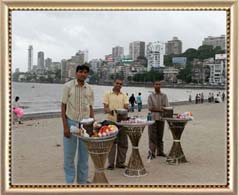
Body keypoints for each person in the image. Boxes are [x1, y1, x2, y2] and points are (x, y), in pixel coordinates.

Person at [61, 64, 94, 184]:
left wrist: (92, 125)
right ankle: (69, 183)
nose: (83, 74)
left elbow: (90, 107)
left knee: (84, 157)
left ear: (87, 74)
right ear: (76, 73)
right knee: (69, 157)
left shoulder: (89, 89)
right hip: (71, 123)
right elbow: (63, 106)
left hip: (86, 125)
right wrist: (65, 127)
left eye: (85, 72)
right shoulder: (68, 86)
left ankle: (82, 182)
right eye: (80, 71)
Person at [103, 77, 129, 170]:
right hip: (111, 121)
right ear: (114, 83)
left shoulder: (124, 95)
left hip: (122, 122)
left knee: (123, 143)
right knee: (111, 143)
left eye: (120, 84)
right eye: (117, 83)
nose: (118, 85)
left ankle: (120, 163)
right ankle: (111, 163)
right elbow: (105, 108)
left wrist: (126, 108)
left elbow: (126, 106)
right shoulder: (107, 94)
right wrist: (112, 111)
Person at [147, 80, 169, 159]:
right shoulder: (150, 96)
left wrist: (159, 109)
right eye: (156, 84)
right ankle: (151, 153)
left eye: (159, 84)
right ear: (154, 85)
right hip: (152, 118)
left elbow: (166, 107)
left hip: (161, 118)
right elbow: (150, 108)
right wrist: (160, 109)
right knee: (152, 136)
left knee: (160, 135)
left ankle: (160, 151)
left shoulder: (164, 96)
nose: (158, 86)